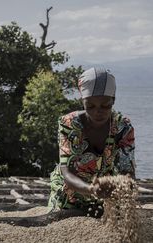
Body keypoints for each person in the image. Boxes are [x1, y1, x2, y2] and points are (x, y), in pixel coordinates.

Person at [48, 67, 136, 217]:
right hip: (69, 194)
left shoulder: (123, 128)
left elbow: (127, 171)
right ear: (82, 101)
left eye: (105, 105)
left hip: (106, 195)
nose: (98, 111)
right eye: (90, 106)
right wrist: (90, 189)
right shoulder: (69, 124)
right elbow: (67, 173)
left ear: (113, 100)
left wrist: (120, 186)